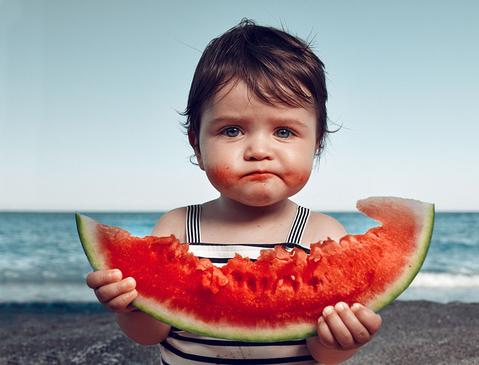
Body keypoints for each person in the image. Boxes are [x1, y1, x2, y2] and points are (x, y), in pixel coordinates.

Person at [85, 19, 382, 364]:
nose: (258, 150)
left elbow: (323, 356)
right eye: (231, 131)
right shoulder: (178, 227)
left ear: (316, 144)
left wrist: (342, 340)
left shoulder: (323, 235)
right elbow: (151, 335)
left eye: (284, 132)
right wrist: (133, 307)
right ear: (197, 145)